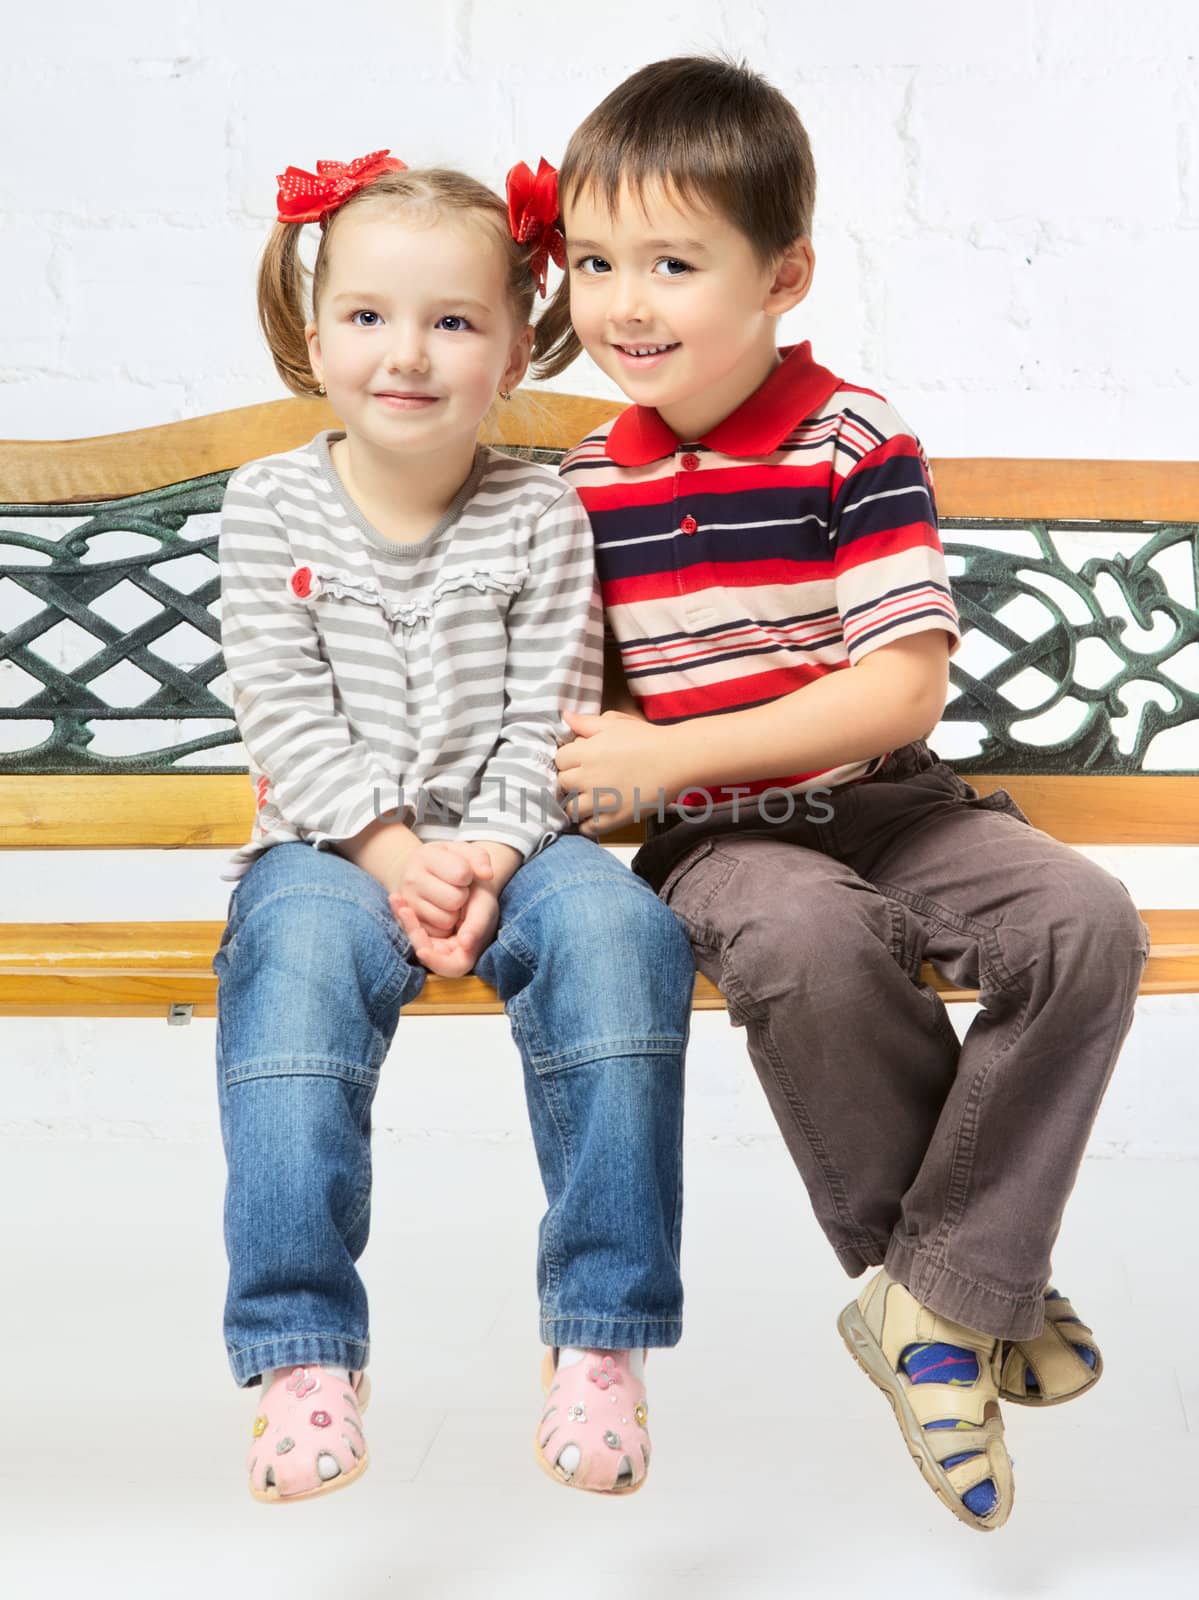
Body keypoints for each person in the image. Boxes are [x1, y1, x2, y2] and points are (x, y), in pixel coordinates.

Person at [536, 58, 1150, 1532]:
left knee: (1085, 921)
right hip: (723, 849)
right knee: (812, 947)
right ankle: (967, 1296)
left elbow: (898, 688)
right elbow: (577, 724)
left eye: (674, 265)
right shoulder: (577, 488)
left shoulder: (847, 440)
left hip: (899, 798)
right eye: (598, 262)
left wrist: (667, 747)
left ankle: (933, 1296)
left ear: (783, 275)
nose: (627, 304)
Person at [214, 150, 694, 1504]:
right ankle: (303, 1353)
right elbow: (284, 715)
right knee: (294, 981)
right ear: (316, 343)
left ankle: (600, 1338)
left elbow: (551, 716)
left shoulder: (540, 512)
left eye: (454, 321)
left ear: (514, 352)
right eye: (368, 316)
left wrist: (480, 854)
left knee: (624, 937)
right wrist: (386, 854)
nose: (407, 354)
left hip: (518, 844)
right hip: (325, 845)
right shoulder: (270, 508)